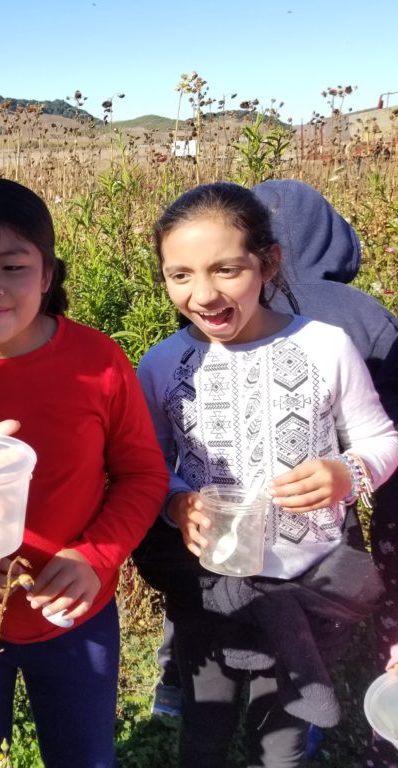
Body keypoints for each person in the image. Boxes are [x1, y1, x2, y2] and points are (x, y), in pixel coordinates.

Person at [0, 178, 168, 766]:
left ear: (47, 275)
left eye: (14, 266)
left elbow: (142, 476)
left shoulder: (97, 361)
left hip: (76, 614)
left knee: (84, 755)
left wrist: (93, 557)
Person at [134, 181, 398, 767]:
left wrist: (348, 472)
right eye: (179, 275)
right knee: (204, 724)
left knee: (282, 741)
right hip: (211, 586)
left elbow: (381, 439)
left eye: (226, 269)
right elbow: (148, 465)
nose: (203, 294)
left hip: (310, 583)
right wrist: (177, 504)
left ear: (268, 262)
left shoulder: (326, 347)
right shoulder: (159, 364)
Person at [254, 178, 398, 766]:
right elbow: (388, 427)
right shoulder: (366, 314)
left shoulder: (248, 305)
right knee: (334, 596)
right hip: (337, 495)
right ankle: (327, 706)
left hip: (251, 504)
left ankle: (182, 691)